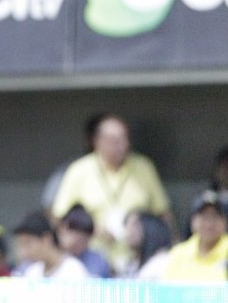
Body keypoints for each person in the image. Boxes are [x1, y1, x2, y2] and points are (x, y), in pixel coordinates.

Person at [51, 114, 173, 271]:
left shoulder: (143, 167)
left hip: (138, 258)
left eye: (125, 139)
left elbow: (163, 213)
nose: (122, 146)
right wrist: (93, 229)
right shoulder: (79, 170)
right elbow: (59, 217)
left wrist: (170, 244)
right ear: (98, 142)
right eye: (115, 141)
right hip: (91, 259)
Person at [163, 190, 228, 282]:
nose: (209, 224)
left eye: (215, 216)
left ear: (226, 222)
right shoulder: (178, 253)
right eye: (204, 216)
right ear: (192, 220)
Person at [13, 211, 90, 280]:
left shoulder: (73, 270)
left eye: (28, 243)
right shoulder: (33, 271)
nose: (24, 252)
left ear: (46, 239)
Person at [57, 204, 112, 278]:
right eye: (78, 240)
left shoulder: (96, 261)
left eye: (84, 242)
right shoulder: (50, 255)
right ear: (64, 229)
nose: (80, 246)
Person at [121, 211, 171, 280]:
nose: (128, 232)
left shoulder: (162, 261)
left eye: (135, 225)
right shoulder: (131, 264)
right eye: (126, 226)